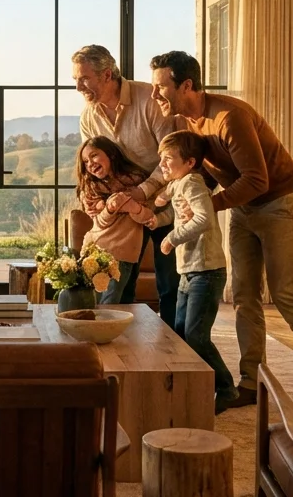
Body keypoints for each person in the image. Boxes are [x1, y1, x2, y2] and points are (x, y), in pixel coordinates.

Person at [148, 51, 293, 414]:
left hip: (279, 201)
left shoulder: (228, 117)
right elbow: (203, 174)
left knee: (284, 292)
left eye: (160, 88)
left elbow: (258, 178)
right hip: (244, 206)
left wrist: (209, 206)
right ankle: (250, 381)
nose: (156, 96)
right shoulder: (191, 123)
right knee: (245, 296)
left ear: (186, 85)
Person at [72, 45, 180, 321]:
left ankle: (175, 350)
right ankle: (125, 347)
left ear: (106, 74)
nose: (78, 87)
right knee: (122, 285)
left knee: (170, 285)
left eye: (84, 79)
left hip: (163, 199)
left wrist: (142, 191)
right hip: (122, 215)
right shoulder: (89, 116)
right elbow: (90, 164)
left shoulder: (149, 100)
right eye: (76, 80)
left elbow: (171, 157)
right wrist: (88, 195)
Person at [147, 130, 238, 414]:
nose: (162, 164)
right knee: (180, 332)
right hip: (189, 271)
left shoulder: (193, 183)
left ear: (189, 162)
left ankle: (226, 388)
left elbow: (203, 218)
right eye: (160, 158)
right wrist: (157, 215)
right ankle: (194, 387)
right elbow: (174, 210)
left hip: (206, 271)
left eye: (168, 158)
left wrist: (171, 238)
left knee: (196, 336)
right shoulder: (180, 183)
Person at [73, 137, 151, 304]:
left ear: (111, 155)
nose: (90, 163)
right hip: (99, 249)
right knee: (105, 304)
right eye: (86, 161)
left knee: (124, 302)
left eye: (94, 156)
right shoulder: (91, 188)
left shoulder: (139, 181)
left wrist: (115, 205)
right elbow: (101, 222)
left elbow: (147, 213)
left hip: (126, 253)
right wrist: (111, 207)